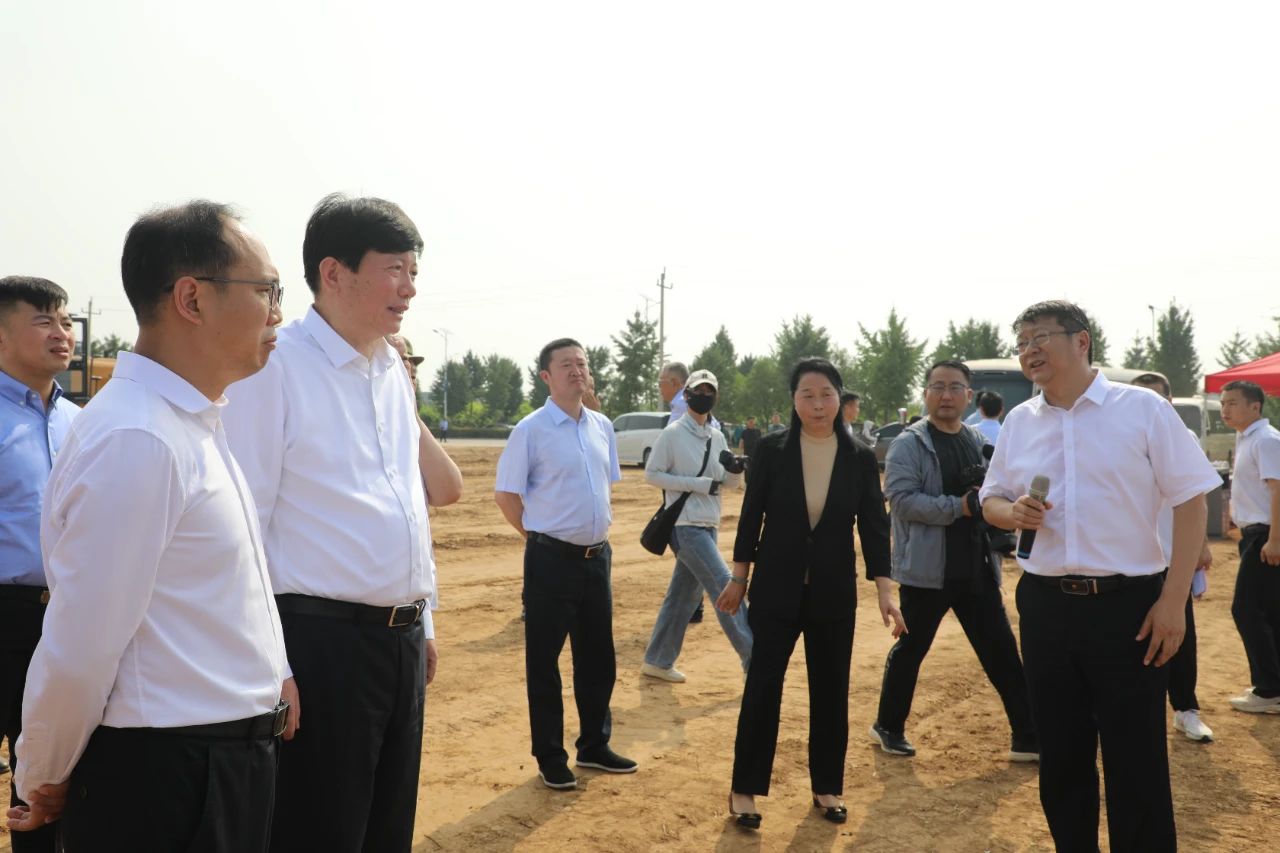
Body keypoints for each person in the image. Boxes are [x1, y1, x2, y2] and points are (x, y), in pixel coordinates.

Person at [9, 202, 290, 852]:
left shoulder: (188, 422)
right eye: (267, 291)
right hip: (168, 777)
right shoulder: (139, 437)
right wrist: (44, 772)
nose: (278, 313)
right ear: (192, 298)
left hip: (219, 764)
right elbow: (81, 643)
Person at [223, 193, 463, 853]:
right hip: (320, 648)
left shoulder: (390, 369)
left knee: (387, 827)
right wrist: (272, 663)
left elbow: (409, 503)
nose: (409, 288)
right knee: (321, 830)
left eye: (413, 271)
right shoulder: (275, 368)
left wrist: (422, 620)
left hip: (399, 646)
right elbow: (242, 530)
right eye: (395, 269)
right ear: (334, 272)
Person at [980, 300, 1220, 852]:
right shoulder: (1020, 422)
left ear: (1081, 340)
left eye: (1040, 337)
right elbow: (991, 499)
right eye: (1022, 343)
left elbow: (1191, 501)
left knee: (1136, 759)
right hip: (1045, 606)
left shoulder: (1142, 410)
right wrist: (1012, 512)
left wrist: (1173, 601)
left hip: (1129, 608)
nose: (1029, 351)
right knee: (1061, 755)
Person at [718, 358, 893, 829]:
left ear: (840, 398)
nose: (817, 405)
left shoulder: (859, 457)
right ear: (793, 401)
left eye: (826, 395)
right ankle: (744, 789)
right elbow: (751, 515)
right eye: (807, 396)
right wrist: (739, 577)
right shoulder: (772, 450)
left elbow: (874, 526)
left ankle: (827, 786)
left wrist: (885, 590)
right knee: (763, 687)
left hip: (834, 593)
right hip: (776, 590)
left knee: (832, 690)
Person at [870, 360, 1037, 761]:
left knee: (1002, 653)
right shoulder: (909, 444)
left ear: (969, 395)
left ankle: (1028, 738)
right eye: (938, 387)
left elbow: (996, 492)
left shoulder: (976, 440)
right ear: (925, 393)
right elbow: (902, 501)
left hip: (977, 566)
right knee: (912, 650)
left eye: (955, 387)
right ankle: (888, 726)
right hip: (928, 570)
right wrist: (959, 506)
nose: (946, 395)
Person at [495, 338, 637, 791]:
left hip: (597, 559)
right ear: (546, 376)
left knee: (598, 658)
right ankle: (550, 756)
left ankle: (594, 745)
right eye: (566, 365)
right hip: (550, 561)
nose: (577, 371)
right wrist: (537, 536)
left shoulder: (601, 426)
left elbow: (604, 485)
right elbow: (506, 494)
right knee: (545, 662)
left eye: (582, 363)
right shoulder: (531, 430)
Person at [0, 276, 80, 853]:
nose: (62, 332)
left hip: (65, 624)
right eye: (44, 320)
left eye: (66, 320)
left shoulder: (83, 423)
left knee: (47, 776)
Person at [640, 369, 752, 683]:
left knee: (683, 597)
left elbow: (728, 484)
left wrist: (735, 471)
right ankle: (754, 659)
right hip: (685, 525)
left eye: (709, 391)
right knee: (724, 585)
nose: (704, 396)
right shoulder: (673, 433)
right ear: (687, 395)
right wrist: (698, 484)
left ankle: (658, 660)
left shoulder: (718, 436)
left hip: (709, 523)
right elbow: (652, 474)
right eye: (698, 391)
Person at [1131, 373, 1216, 741]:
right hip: (1130, 560)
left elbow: (1197, 497)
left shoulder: (1184, 437)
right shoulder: (1118, 436)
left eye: (1157, 398)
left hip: (1172, 555)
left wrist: (1201, 545)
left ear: (1169, 402)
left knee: (1181, 635)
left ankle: (1185, 709)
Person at [1219, 379, 1280, 713]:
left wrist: (1275, 539)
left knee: (1246, 609)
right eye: (1222, 403)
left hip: (1266, 535)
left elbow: (1278, 490)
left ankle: (1268, 689)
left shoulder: (1266, 440)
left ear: (1255, 406)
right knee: (1269, 610)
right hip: (1256, 534)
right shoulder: (1247, 438)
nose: (1225, 409)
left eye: (1232, 403)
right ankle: (1274, 686)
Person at [658, 361, 706, 622]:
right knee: (683, 545)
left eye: (661, 382)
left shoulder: (681, 408)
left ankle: (693, 604)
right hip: (689, 487)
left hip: (682, 488)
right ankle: (692, 605)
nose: (659, 388)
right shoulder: (685, 406)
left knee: (683, 543)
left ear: (676, 383)